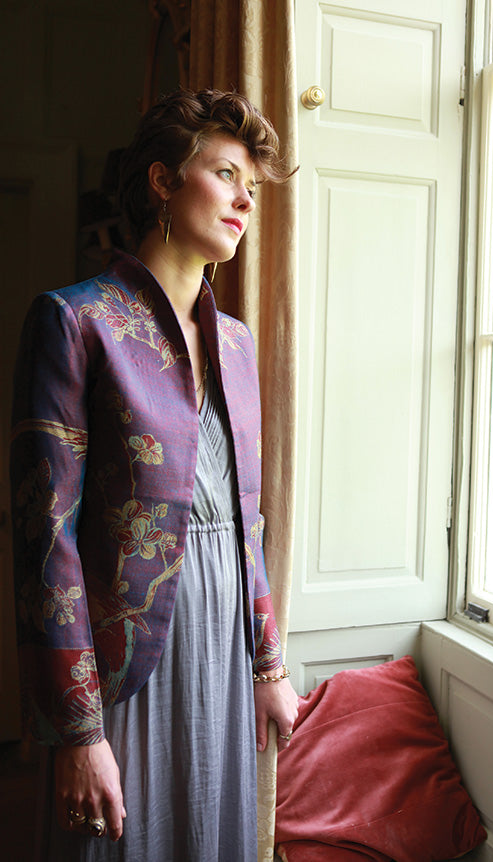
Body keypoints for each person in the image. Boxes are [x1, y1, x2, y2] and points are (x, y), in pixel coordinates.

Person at [10, 88, 299, 861]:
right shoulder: (75, 321)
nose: (244, 198)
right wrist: (76, 730)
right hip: (127, 659)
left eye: (252, 186)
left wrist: (268, 664)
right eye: (226, 173)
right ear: (164, 182)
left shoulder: (235, 344)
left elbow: (248, 519)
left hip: (224, 650)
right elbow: (47, 543)